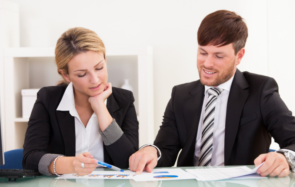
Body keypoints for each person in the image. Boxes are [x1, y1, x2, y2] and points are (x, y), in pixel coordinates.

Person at [129, 10, 295, 177]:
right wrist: (151, 151)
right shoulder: (180, 95)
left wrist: (284, 158)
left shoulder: (260, 90)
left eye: (218, 56)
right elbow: (165, 148)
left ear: (239, 56)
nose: (207, 64)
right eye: (203, 53)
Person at [23, 27, 138, 176]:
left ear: (105, 60)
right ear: (66, 75)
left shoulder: (124, 100)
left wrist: (100, 108)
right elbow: (30, 159)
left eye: (99, 68)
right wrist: (70, 164)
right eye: (82, 74)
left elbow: (128, 161)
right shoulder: (48, 99)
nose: (95, 80)